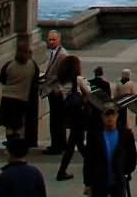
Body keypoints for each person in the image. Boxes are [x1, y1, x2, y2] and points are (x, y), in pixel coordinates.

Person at [54, 54, 95, 182]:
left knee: (78, 141)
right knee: (73, 143)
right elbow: (89, 94)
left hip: (69, 114)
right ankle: (62, 172)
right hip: (80, 115)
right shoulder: (78, 79)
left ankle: (91, 164)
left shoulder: (62, 80)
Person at [0, 40, 38, 144]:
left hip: (7, 97)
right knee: (18, 124)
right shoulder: (32, 65)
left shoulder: (10, 65)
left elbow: (2, 79)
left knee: (9, 124)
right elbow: (35, 79)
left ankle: (9, 142)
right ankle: (17, 142)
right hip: (22, 98)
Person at [39, 30, 70, 153]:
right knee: (57, 119)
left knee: (56, 120)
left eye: (53, 39)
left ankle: (57, 145)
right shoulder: (55, 53)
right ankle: (60, 144)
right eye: (49, 39)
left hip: (56, 91)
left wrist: (49, 81)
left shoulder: (62, 55)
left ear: (59, 39)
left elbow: (62, 75)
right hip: (54, 89)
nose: (51, 42)